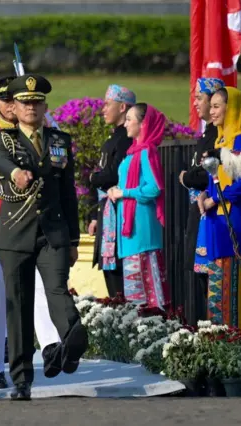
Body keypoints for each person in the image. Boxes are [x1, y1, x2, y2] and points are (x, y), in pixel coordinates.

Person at [0, 74, 87, 401]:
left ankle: (72, 342)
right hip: (16, 233)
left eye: (36, 102)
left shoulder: (59, 140)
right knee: (19, 307)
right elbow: (0, 161)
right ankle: (21, 379)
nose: (31, 107)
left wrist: (73, 239)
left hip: (53, 232)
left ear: (45, 105)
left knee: (57, 290)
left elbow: (68, 192)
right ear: (13, 108)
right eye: (24, 102)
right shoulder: (3, 139)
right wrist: (15, 172)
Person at [0, 75, 62, 388]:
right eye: (5, 100)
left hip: (37, 220)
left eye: (15, 99)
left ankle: (49, 346)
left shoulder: (38, 134)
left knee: (40, 287)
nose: (12, 105)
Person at [198, 87, 241, 331]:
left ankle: (236, 343)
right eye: (212, 106)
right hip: (214, 221)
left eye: (218, 106)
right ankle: (219, 348)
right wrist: (204, 196)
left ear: (233, 109)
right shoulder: (220, 140)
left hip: (233, 219)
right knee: (217, 288)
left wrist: (217, 200)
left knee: (233, 287)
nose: (212, 110)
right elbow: (215, 181)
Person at [106, 103, 170, 309]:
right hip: (131, 232)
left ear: (144, 124)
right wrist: (117, 189)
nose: (125, 124)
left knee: (148, 291)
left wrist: (124, 193)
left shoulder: (146, 152)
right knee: (135, 293)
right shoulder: (133, 153)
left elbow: (154, 188)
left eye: (130, 119)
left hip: (142, 231)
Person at [177, 78, 225, 324]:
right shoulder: (207, 133)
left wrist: (187, 177)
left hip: (211, 214)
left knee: (211, 277)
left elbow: (205, 174)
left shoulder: (218, 135)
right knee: (200, 275)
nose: (195, 103)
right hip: (199, 210)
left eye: (199, 98)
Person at [88, 84, 136, 298]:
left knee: (119, 279)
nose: (103, 109)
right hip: (106, 213)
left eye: (108, 104)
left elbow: (113, 176)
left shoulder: (126, 140)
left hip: (120, 215)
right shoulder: (112, 140)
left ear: (123, 107)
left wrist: (93, 178)